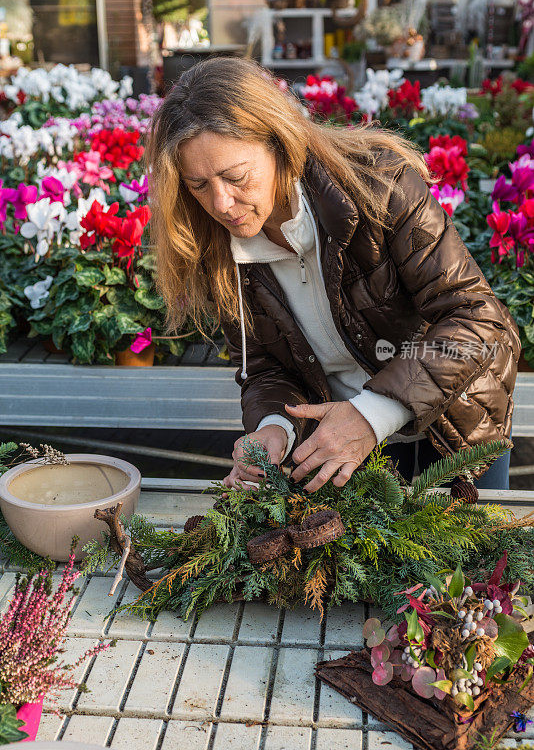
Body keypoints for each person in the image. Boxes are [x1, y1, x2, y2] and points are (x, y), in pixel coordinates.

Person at [146, 56, 521, 493]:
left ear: (280, 143)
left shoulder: (381, 186)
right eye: (198, 185)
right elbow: (264, 368)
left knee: (479, 554)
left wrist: (372, 412)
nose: (222, 203)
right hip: (344, 447)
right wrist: (274, 428)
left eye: (236, 177)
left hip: (457, 426)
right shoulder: (217, 245)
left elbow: (480, 321)